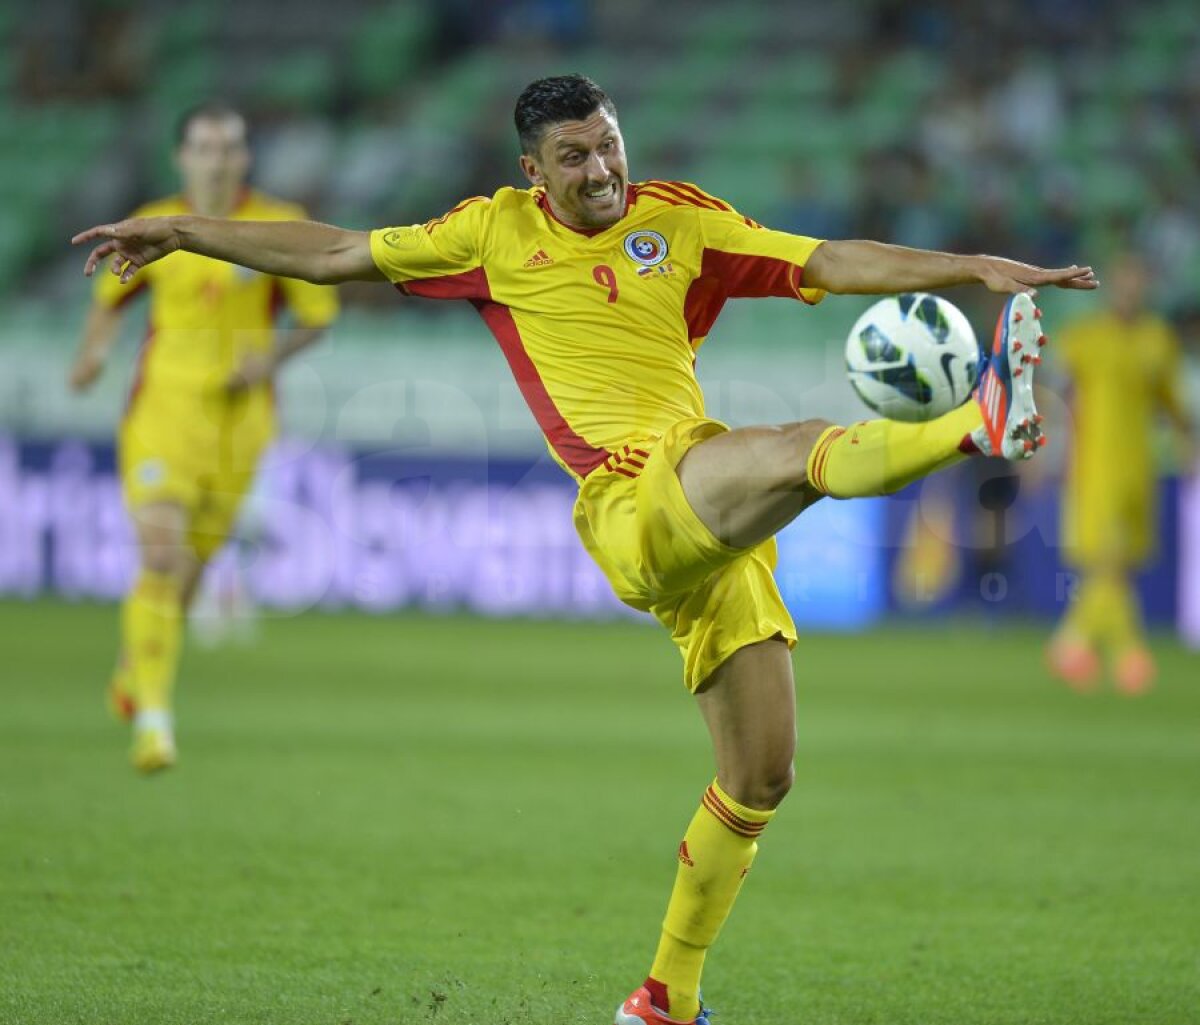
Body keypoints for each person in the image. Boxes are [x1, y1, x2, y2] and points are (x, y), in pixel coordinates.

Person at [73, 75, 1096, 1025]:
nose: (602, 170)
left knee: (761, 777)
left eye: (608, 145)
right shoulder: (487, 234)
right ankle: (976, 422)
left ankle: (664, 998)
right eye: (575, 156)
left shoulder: (681, 219)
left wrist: (968, 265)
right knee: (785, 448)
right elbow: (334, 252)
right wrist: (180, 233)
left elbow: (822, 260)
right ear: (534, 170)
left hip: (708, 514)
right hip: (627, 502)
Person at [68, 103, 340, 773]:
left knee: (185, 579)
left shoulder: (279, 225)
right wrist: (94, 352)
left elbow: (316, 315)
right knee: (160, 555)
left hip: (240, 424)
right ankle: (155, 724)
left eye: (229, 147)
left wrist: (268, 361)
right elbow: (110, 300)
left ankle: (138, 669)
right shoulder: (156, 221)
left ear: (245, 157)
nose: (217, 158)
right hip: (163, 412)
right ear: (181, 157)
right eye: (204, 147)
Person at [1045, 254, 1191, 695]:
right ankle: (1129, 652)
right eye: (1125, 282)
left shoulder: (1158, 339)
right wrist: (1046, 453)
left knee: (1120, 568)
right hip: (1095, 469)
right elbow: (1056, 395)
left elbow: (1171, 403)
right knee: (1107, 563)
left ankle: (1073, 642)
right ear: (1112, 288)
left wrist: (1188, 446)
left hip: (1140, 468)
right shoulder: (1085, 338)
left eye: (1138, 282)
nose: (1131, 290)